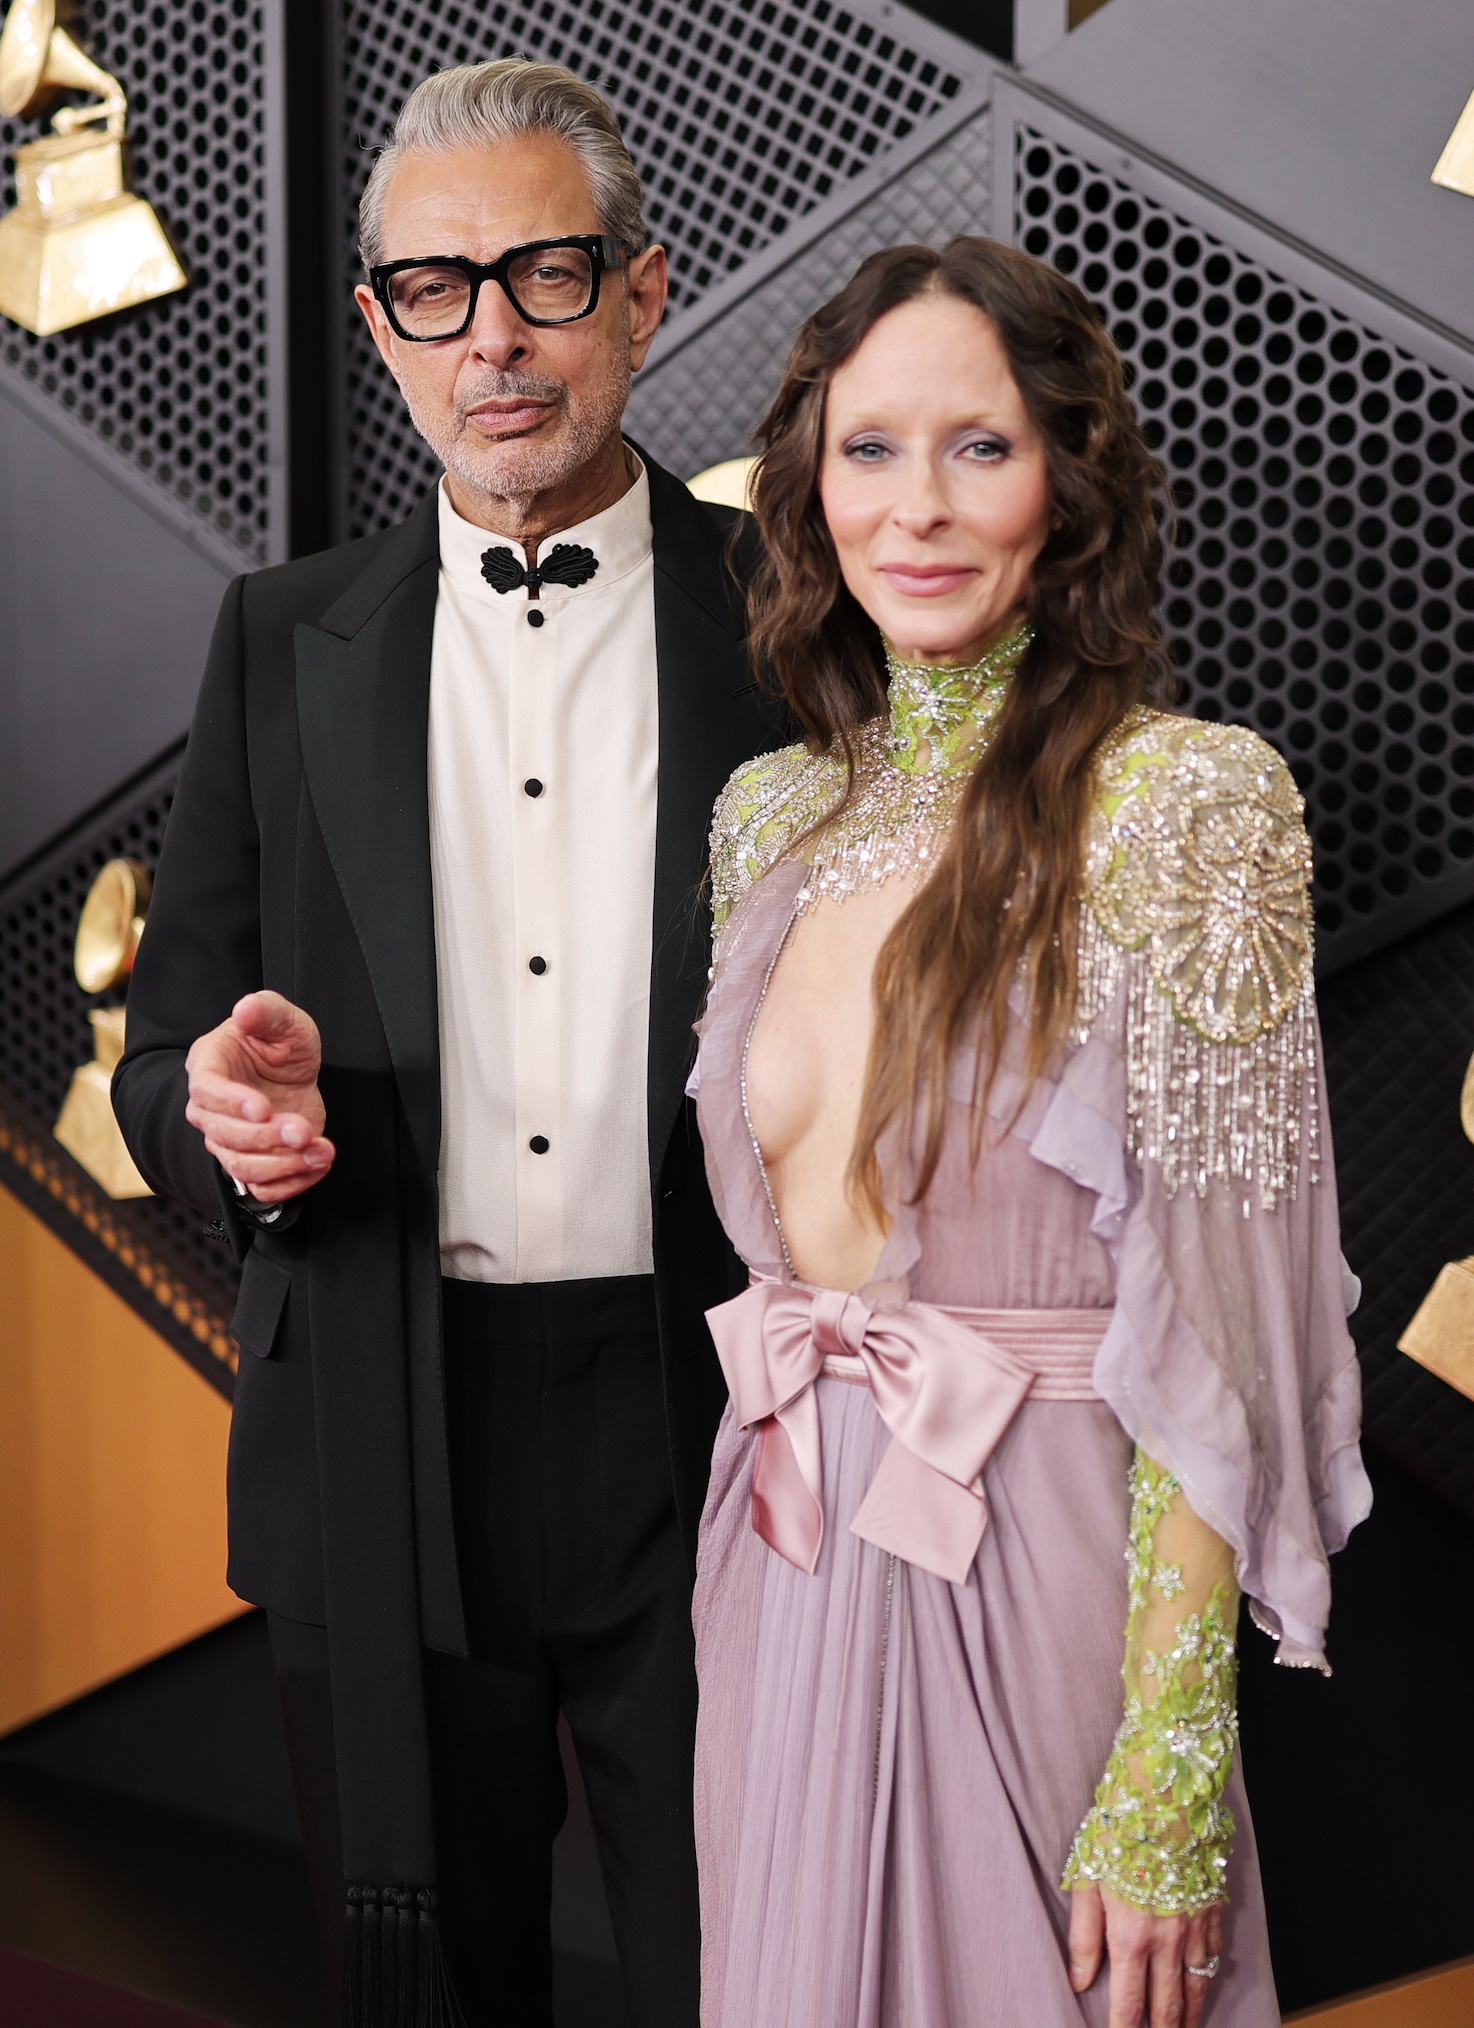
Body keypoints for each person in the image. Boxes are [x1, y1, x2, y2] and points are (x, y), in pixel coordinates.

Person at [112, 58, 777, 2028]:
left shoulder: (805, 630)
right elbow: (159, 1068)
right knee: (422, 1996)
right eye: (434, 287)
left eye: (544, 275)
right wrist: (214, 1115)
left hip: (729, 1422)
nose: (490, 334)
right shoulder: (276, 635)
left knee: (748, 1974)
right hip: (378, 1421)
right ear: (377, 324)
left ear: (643, 298)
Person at [690, 237, 1370, 2028]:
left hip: (1043, 1552)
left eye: (979, 448)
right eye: (870, 449)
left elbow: (1224, 1329)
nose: (917, 509)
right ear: (809, 483)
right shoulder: (771, 815)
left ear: (1065, 481)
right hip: (782, 1546)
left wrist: (1163, 1772)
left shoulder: (1183, 802)